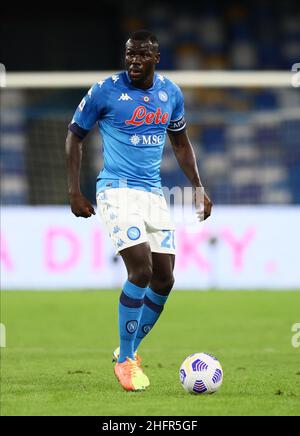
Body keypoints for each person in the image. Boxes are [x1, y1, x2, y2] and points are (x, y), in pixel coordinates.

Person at [66, 30, 212, 392]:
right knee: (142, 269)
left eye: (142, 55)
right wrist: (74, 190)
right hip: (116, 191)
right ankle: (127, 361)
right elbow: (75, 136)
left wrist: (197, 187)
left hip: (153, 194)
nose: (134, 60)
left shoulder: (170, 94)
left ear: (156, 58)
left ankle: (126, 350)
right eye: (129, 54)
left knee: (165, 278)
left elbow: (180, 143)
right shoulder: (105, 90)